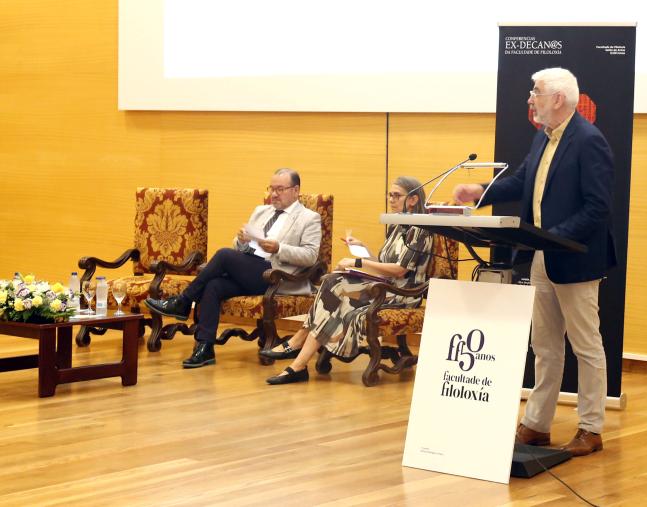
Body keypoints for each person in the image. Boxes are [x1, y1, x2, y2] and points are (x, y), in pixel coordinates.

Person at [453, 68, 616, 457]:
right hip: (543, 256)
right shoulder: (543, 138)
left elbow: (598, 208)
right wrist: (480, 191)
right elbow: (522, 180)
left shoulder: (589, 141)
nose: (530, 98)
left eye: (536, 92)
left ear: (558, 99)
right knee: (544, 345)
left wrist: (556, 236)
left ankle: (591, 429)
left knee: (586, 346)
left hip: (575, 259)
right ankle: (538, 425)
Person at [260, 176, 433, 385]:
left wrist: (357, 262)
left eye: (396, 195)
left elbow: (398, 271)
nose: (391, 199)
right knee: (333, 282)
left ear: (413, 200)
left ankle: (298, 346)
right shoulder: (397, 224)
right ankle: (299, 364)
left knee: (335, 285)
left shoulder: (421, 229)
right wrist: (363, 249)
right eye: (389, 194)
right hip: (384, 286)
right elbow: (383, 263)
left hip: (402, 295)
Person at [145, 168, 322, 369]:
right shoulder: (261, 211)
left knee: (223, 255)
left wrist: (279, 248)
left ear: (295, 190)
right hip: (250, 269)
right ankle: (205, 348)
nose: (273, 194)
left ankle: (183, 301)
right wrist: (241, 240)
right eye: (271, 189)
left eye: (280, 189)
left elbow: (310, 256)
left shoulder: (309, 218)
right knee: (214, 285)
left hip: (276, 277)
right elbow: (241, 248)